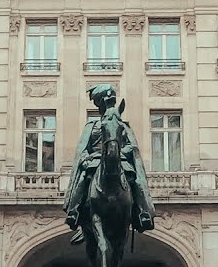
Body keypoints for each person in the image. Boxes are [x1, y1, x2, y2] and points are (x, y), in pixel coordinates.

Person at [62, 84, 155, 244]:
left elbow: (130, 146)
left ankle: (142, 212)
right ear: (100, 104)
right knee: (84, 178)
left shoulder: (122, 125)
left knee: (134, 180)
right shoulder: (91, 126)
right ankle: (75, 211)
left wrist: (119, 151)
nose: (108, 104)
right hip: (96, 160)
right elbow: (83, 148)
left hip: (119, 159)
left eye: (111, 101)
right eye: (106, 101)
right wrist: (85, 158)